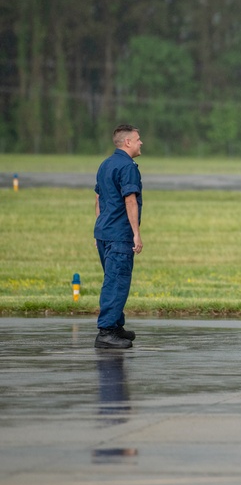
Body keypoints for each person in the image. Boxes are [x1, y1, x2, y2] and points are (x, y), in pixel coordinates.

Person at [93, 124, 144, 349]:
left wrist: (99, 228)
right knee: (117, 282)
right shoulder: (128, 166)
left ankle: (115, 327)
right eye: (138, 139)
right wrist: (136, 234)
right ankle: (106, 332)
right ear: (128, 142)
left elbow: (98, 198)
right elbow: (130, 200)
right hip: (119, 235)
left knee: (113, 279)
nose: (141, 142)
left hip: (104, 232)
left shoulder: (106, 164)